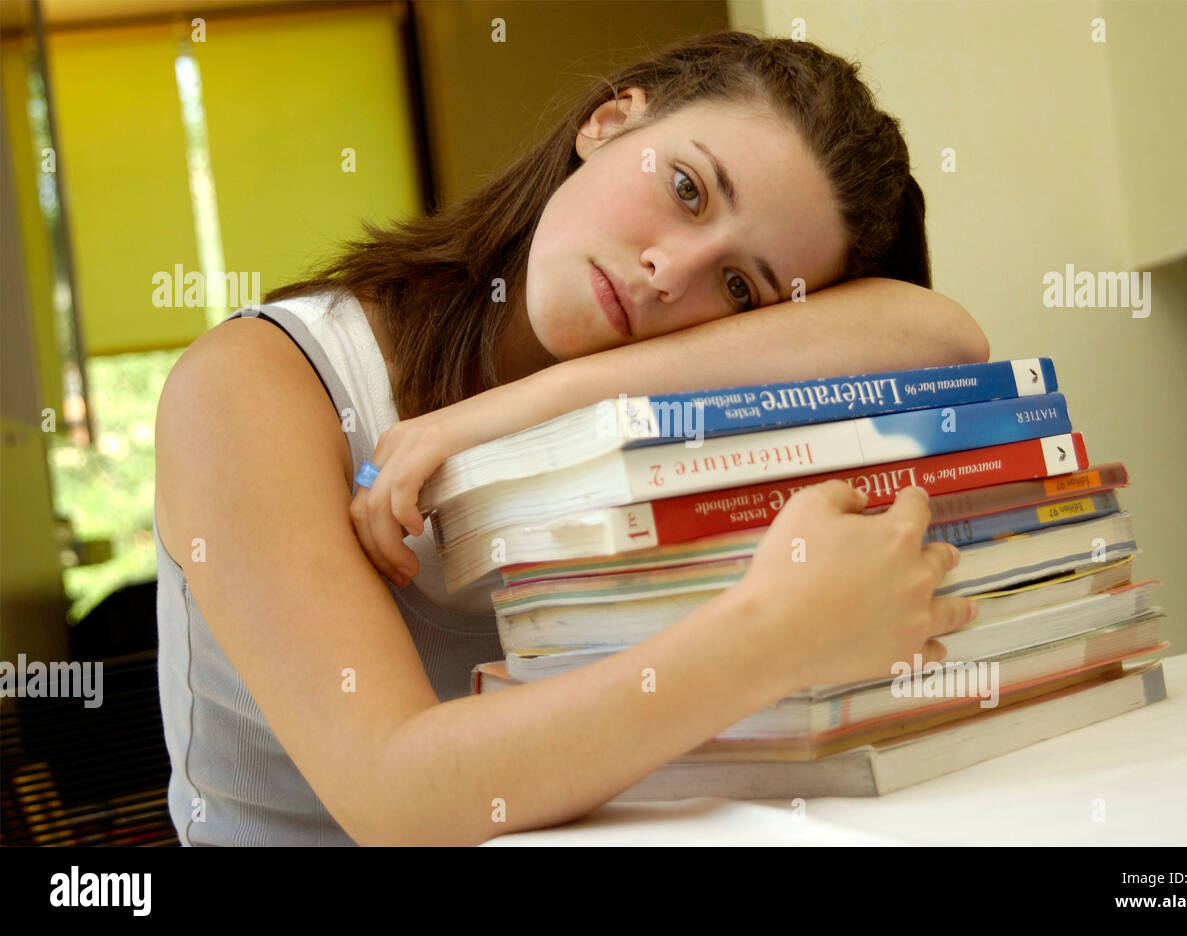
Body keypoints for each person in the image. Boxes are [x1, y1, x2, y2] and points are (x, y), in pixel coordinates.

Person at [153, 30, 988, 846]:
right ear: (609, 121)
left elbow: (943, 334)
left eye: (739, 286)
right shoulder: (257, 380)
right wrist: (776, 635)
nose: (671, 270)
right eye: (689, 190)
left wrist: (530, 404)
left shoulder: (671, 407)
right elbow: (396, 797)